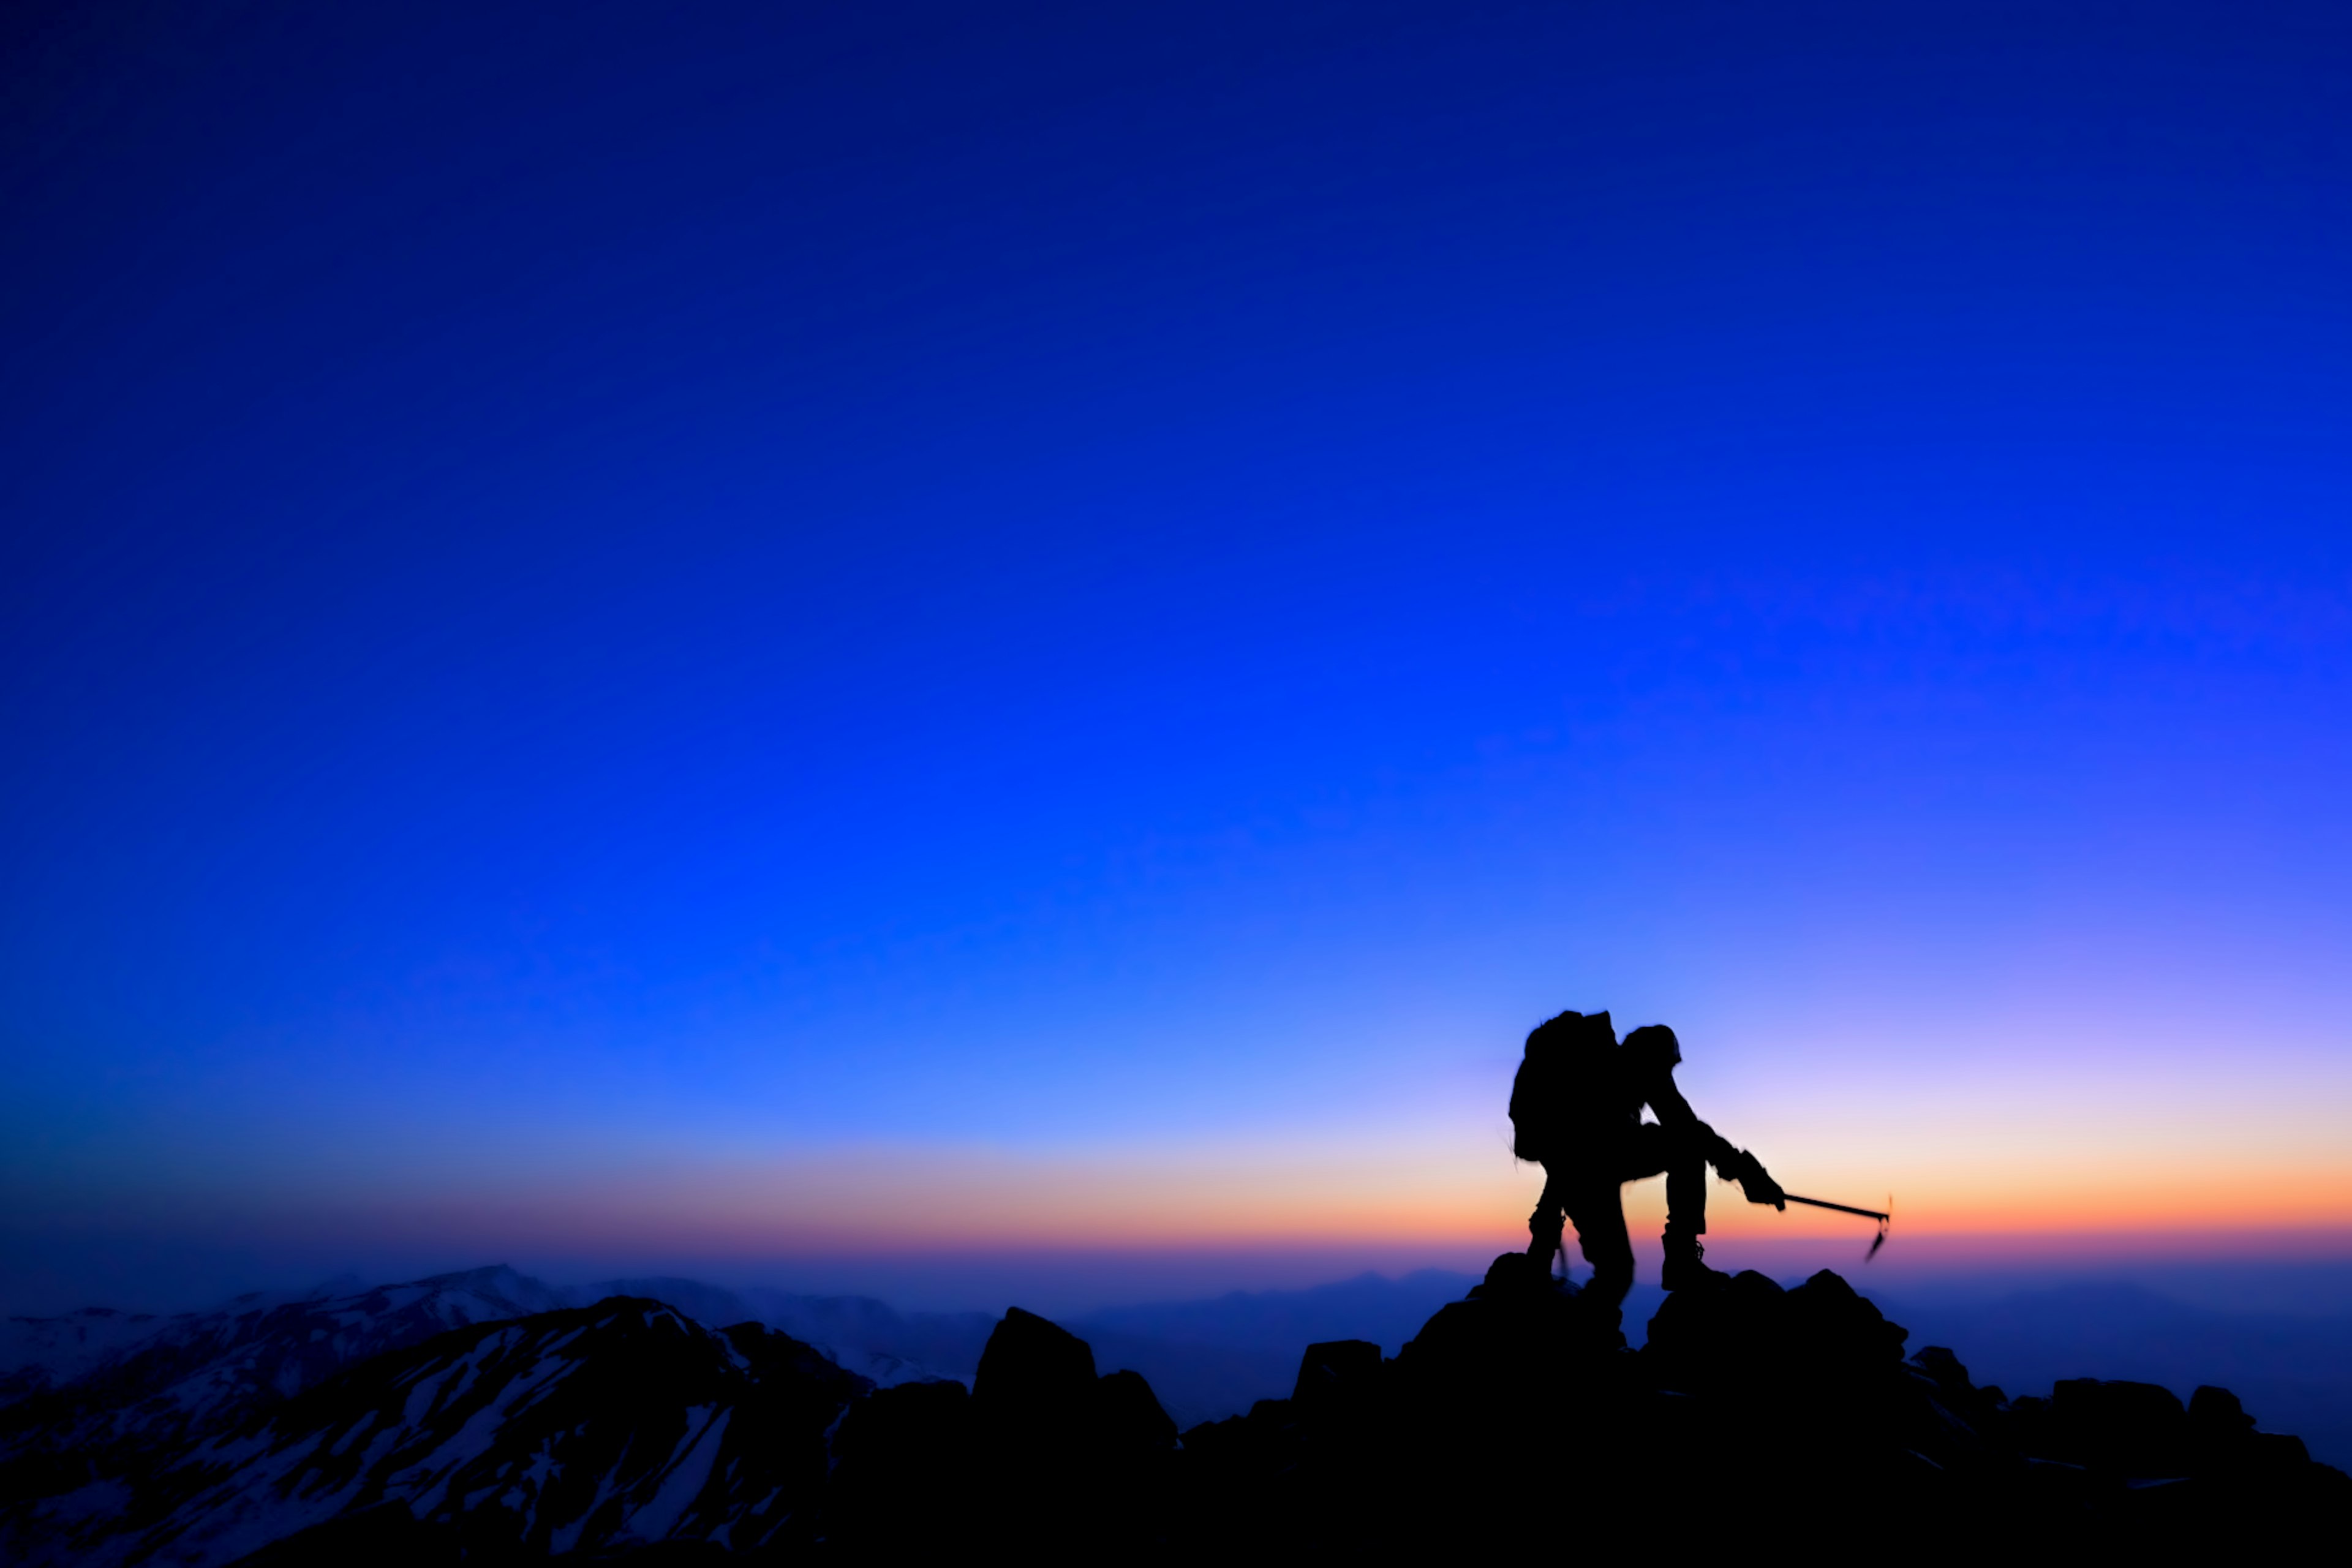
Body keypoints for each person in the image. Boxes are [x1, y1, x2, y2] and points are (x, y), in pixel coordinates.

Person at [1509, 1009, 1784, 1300]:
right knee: (1617, 1271)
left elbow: (1564, 1165)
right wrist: (1753, 1178)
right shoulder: (1633, 1073)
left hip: (1591, 1165)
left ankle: (1588, 1331)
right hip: (1598, 1165)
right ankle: (1680, 1260)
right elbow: (1688, 1129)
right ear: (1654, 1059)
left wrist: (1541, 1246)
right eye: (1668, 1067)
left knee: (1616, 1271)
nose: (1668, 1076)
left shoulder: (1594, 1085)